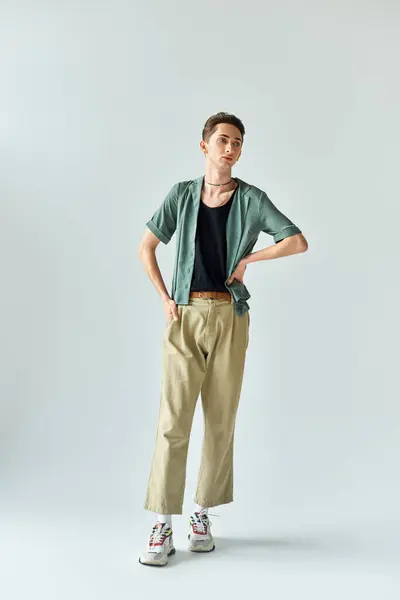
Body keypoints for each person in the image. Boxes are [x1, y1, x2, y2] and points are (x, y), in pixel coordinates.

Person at [137, 112, 308, 566]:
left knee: (219, 418)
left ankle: (201, 513)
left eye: (237, 143)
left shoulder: (252, 199)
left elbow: (296, 241)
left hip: (230, 316)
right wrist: (165, 298)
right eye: (223, 140)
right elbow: (147, 246)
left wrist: (251, 256)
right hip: (185, 313)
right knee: (173, 418)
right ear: (204, 146)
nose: (230, 148)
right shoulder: (181, 195)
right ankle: (161, 523)